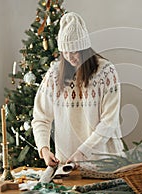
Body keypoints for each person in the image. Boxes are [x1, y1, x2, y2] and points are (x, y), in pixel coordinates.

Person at [32, 12, 124, 168]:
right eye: (65, 52)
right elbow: (41, 117)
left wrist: (83, 151)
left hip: (104, 162)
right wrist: (44, 149)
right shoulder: (54, 75)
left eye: (74, 51)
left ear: (85, 49)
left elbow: (109, 122)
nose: (70, 57)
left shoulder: (106, 72)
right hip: (66, 164)